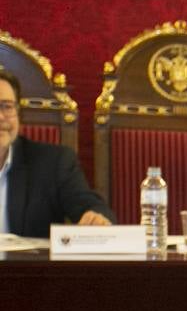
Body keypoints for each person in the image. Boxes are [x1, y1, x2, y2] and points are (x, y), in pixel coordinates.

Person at [0, 67, 112, 235]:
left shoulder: (52, 163)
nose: (1, 117)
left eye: (6, 107)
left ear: (18, 113)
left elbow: (90, 207)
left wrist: (95, 219)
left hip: (24, 262)